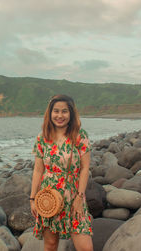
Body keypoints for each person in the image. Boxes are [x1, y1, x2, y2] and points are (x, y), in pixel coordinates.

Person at [29, 94, 93, 251]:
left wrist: (80, 197)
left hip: (73, 195)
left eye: (64, 111)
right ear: (50, 113)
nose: (59, 115)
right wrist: (32, 198)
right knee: (50, 245)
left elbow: (85, 168)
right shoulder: (42, 137)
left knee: (85, 247)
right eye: (56, 111)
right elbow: (38, 170)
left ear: (71, 113)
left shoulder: (80, 135)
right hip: (49, 197)